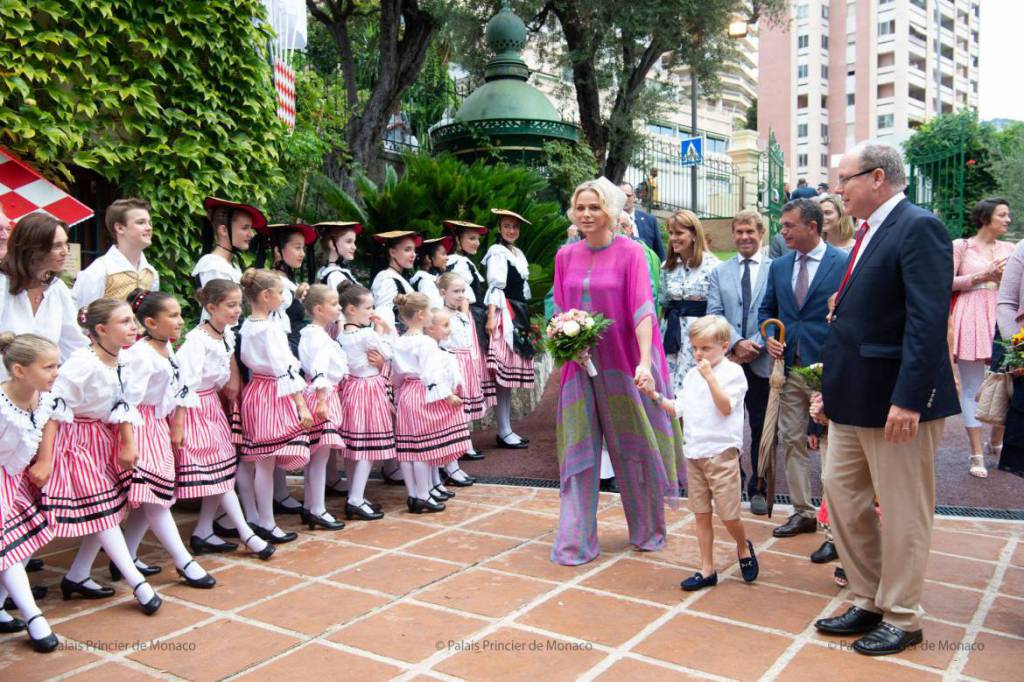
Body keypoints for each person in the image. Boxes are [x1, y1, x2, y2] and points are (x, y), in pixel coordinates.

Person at [813, 141, 959, 656]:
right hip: (854, 398)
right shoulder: (869, 232)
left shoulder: (918, 226)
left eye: (844, 180)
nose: (838, 190)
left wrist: (910, 399)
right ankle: (869, 596)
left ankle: (902, 615)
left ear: (877, 178)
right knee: (844, 498)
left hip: (898, 404)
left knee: (902, 512)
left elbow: (926, 319)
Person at [550, 178, 683, 566]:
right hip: (580, 366)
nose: (587, 214)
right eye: (580, 208)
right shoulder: (564, 256)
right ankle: (574, 541)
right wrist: (565, 341)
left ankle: (648, 531)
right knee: (578, 449)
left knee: (635, 446)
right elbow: (559, 308)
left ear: (610, 209)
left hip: (625, 364)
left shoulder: (632, 253)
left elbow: (642, 310)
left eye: (594, 207)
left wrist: (644, 361)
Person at [40, 298, 162, 615]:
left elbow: (122, 404)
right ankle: (137, 583)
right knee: (97, 513)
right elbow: (54, 410)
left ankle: (78, 574)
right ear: (101, 329)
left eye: (132, 320)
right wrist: (45, 459)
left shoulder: (121, 361)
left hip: (99, 440)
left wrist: (127, 442)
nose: (133, 327)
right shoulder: (83, 363)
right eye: (124, 322)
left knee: (105, 510)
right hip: (74, 442)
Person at [642, 316, 759, 590]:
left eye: (705, 348)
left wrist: (710, 378)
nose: (698, 354)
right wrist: (655, 396)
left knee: (729, 515)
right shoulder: (693, 375)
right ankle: (707, 569)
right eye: (695, 348)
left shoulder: (733, 373)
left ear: (724, 345)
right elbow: (677, 409)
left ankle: (743, 545)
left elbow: (726, 407)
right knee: (701, 513)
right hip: (694, 453)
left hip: (721, 453)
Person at [758, 198, 848, 539]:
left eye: (788, 226)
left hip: (829, 370)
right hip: (790, 369)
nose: (782, 232)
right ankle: (802, 511)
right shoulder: (779, 266)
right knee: (792, 439)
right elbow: (767, 310)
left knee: (833, 444)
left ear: (812, 226)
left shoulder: (843, 262)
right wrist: (769, 337)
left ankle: (835, 518)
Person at [114, 290, 215, 589]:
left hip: (156, 426)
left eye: (180, 314)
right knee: (156, 500)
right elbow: (127, 402)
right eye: (172, 315)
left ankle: (124, 556)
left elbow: (179, 387)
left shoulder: (165, 347)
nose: (180, 320)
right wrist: (129, 441)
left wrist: (177, 423)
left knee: (152, 497)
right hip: (139, 428)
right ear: (150, 322)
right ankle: (184, 561)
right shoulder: (141, 355)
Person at [175, 280, 274, 559]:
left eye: (237, 305)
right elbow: (186, 384)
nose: (236, 311)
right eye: (230, 306)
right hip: (195, 409)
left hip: (212, 407)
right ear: (211, 307)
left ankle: (204, 530)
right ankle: (248, 535)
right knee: (218, 475)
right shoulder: (198, 340)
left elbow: (225, 365)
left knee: (222, 472)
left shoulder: (226, 333)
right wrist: (181, 424)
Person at [237, 269, 313, 544]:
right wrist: (301, 405)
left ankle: (256, 517)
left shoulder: (248, 324)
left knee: (257, 460)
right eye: (280, 292)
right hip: (272, 392)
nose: (284, 297)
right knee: (265, 462)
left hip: (256, 389)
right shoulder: (270, 329)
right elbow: (285, 368)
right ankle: (266, 522)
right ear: (266, 295)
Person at [707, 210, 773, 515]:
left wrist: (756, 343)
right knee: (728, 423)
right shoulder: (720, 273)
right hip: (731, 359)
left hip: (762, 360)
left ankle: (759, 484)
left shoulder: (776, 269)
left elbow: (777, 311)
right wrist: (736, 342)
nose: (745, 237)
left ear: (760, 233)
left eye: (750, 231)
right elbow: (715, 312)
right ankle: (733, 481)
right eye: (739, 232)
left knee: (762, 424)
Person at [0, 333, 60, 653]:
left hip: (16, 478)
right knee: (8, 547)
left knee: (20, 545)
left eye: (57, 365)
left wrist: (46, 458)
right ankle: (34, 616)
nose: (56, 372)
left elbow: (51, 418)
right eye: (49, 366)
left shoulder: (42, 395)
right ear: (20, 370)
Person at [951, 198, 1014, 478]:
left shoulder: (1012, 249)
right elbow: (945, 281)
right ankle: (976, 452)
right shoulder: (960, 246)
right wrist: (982, 275)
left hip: (1002, 316)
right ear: (986, 218)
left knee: (1006, 382)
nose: (1008, 220)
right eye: (1003, 215)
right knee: (972, 386)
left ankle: (997, 442)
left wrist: (1003, 279)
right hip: (972, 314)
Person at [392, 293, 470, 513]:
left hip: (406, 393)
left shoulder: (400, 341)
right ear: (420, 315)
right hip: (422, 393)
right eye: (428, 312)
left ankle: (413, 495)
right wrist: (448, 396)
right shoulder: (426, 342)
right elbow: (430, 375)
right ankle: (424, 494)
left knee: (407, 448)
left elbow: (396, 375)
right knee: (424, 449)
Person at [0, 213, 88, 366]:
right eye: (56, 245)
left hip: (42, 388)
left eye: (66, 244)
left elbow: (74, 345)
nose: (65, 251)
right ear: (32, 250)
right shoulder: (2, 284)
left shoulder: (57, 289)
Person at [337, 281, 393, 520]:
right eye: (368, 307)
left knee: (355, 447)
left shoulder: (343, 335)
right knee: (368, 448)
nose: (372, 312)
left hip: (351, 389)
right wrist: (383, 331)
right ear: (351, 309)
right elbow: (388, 353)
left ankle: (355, 493)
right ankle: (356, 499)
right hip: (368, 389)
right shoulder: (367, 334)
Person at [296, 284, 348, 531]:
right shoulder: (317, 337)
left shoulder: (313, 333)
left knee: (316, 456)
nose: (339, 308)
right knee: (319, 456)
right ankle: (317, 509)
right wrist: (321, 402)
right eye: (334, 304)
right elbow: (319, 369)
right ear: (318, 309)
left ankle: (310, 506)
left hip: (322, 394)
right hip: (322, 396)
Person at [484, 208, 535, 449]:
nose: (511, 230)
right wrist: (492, 317)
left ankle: (506, 429)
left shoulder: (518, 253)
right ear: (499, 229)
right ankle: (503, 430)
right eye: (507, 226)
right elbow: (496, 287)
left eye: (515, 226)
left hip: (519, 313)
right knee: (502, 377)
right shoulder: (497, 253)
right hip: (506, 314)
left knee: (508, 378)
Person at [444, 219, 493, 459]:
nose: (476, 242)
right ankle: (462, 443)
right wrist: (464, 319)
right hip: (463, 323)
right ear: (459, 240)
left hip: (468, 320)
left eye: (477, 238)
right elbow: (462, 298)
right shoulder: (459, 263)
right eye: (471, 238)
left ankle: (464, 441)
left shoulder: (463, 262)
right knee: (461, 379)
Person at [660, 210, 721, 396]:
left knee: (696, 391)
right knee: (669, 391)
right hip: (671, 332)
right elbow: (663, 303)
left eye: (679, 233)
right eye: (671, 233)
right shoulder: (667, 267)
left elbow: (718, 310)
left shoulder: (713, 266)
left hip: (699, 335)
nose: (673, 238)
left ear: (694, 234)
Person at [437, 272, 482, 486]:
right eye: (456, 291)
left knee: (461, 420)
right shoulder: (440, 316)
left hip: (466, 365)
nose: (460, 295)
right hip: (451, 367)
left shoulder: (462, 314)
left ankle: (452, 465)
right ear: (442, 292)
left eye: (463, 291)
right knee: (452, 419)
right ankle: (449, 466)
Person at [72, 198, 159, 308]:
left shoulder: (150, 273)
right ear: (120, 228)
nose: (149, 228)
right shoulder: (98, 272)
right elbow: (82, 319)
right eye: (141, 222)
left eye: (149, 222)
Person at [370, 231, 420, 331]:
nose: (413, 254)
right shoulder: (386, 279)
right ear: (392, 252)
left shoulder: (397, 277)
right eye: (407, 250)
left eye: (414, 250)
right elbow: (382, 314)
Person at [619, 182, 665, 260]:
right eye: (621, 196)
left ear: (634, 197)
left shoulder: (650, 220)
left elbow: (659, 252)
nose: (624, 199)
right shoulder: (610, 221)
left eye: (628, 195)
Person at [314, 221, 363, 290]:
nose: (354, 247)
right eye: (348, 241)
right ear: (332, 244)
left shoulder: (325, 271)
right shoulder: (335, 276)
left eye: (354, 242)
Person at [409, 236, 451, 309]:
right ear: (428, 258)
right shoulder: (425, 282)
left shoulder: (431, 280)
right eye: (443, 254)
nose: (447, 258)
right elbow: (429, 310)